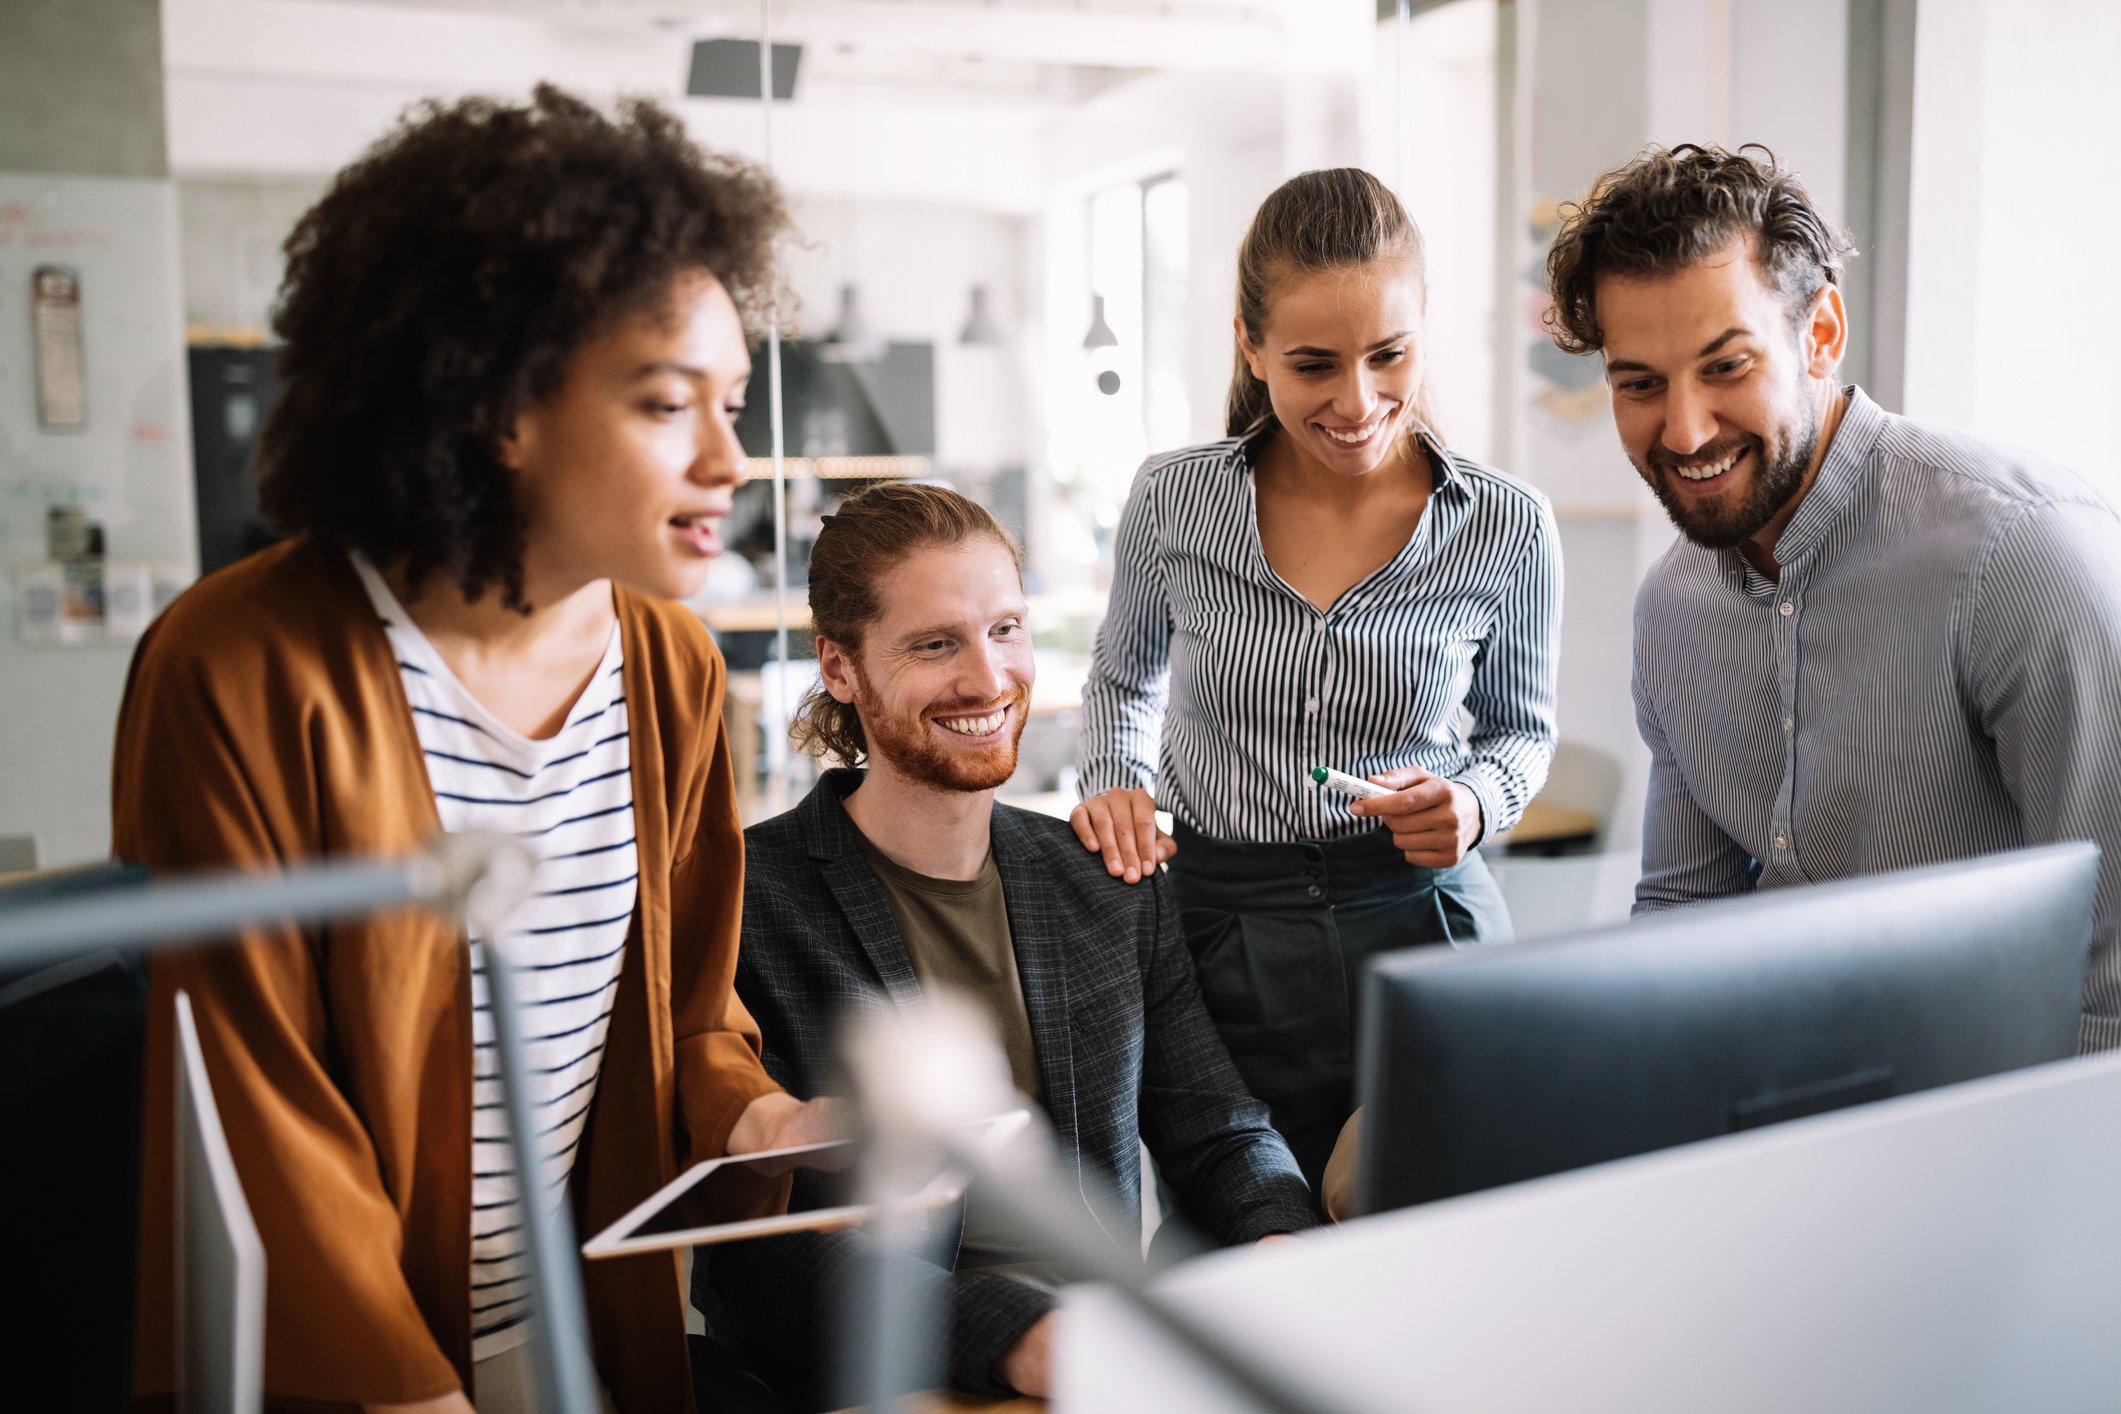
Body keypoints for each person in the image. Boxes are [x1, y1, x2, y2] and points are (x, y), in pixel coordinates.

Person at [115, 87, 836, 1411]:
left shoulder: (665, 665)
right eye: (670, 403)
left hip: (568, 1330)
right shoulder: (239, 665)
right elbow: (252, 1101)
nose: (734, 458)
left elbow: (686, 1008)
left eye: (733, 402)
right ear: (502, 405)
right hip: (349, 1366)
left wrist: (762, 1115)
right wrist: (412, 1390)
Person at [696, 482, 1317, 1408]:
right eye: (934, 644)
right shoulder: (751, 902)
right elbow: (757, 1265)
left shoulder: (1100, 880)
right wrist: (1018, 1335)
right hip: (897, 1377)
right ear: (838, 666)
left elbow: (1216, 1128)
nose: (988, 681)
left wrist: (1280, 1239)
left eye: (1006, 630)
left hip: (1112, 1355)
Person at [1544, 142, 2121, 1051]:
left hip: (1993, 1114)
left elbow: (2113, 982)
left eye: (1725, 366)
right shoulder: (1673, 607)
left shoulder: (2021, 552)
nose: (1685, 429)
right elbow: (1683, 909)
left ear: (1819, 334)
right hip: (1773, 1108)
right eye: (1641, 385)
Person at [1071, 167, 1563, 1186]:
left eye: (1390, 355)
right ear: (1251, 346)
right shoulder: (1173, 501)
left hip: (1425, 921)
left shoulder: (1509, 526)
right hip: (1220, 928)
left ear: (1425, 323)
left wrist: (1474, 801)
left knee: (1445, 1230)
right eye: (1312, 365)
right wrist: (1116, 779)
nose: (1357, 401)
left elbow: (1523, 731)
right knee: (1240, 1231)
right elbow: (1122, 685)